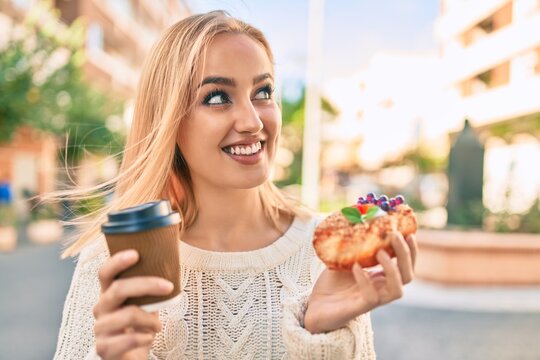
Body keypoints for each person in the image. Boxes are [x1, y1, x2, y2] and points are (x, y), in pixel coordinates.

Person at [54, 11, 417, 360]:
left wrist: (322, 336)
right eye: (217, 97)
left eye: (263, 92)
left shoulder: (325, 256)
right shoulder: (113, 259)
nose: (252, 122)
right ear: (168, 122)